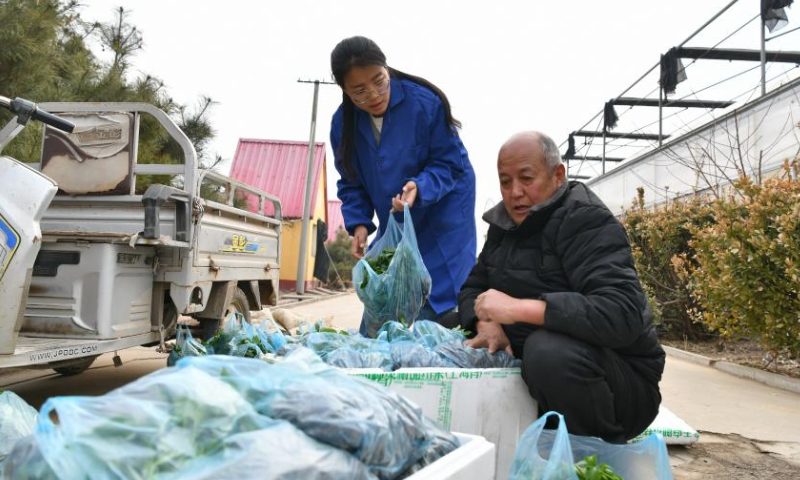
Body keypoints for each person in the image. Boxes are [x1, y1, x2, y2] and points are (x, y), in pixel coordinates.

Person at [459, 131, 665, 443]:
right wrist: (485, 322)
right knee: (450, 326)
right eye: (505, 181)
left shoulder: (586, 220)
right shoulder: (504, 227)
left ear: (558, 175)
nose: (515, 192)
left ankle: (590, 458)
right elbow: (472, 289)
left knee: (549, 352)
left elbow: (621, 313)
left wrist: (517, 310)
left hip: (619, 385)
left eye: (526, 178)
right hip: (535, 369)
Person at [329, 36, 476, 331]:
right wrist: (359, 223)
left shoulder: (424, 103)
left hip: (443, 214)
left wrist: (419, 186)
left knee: (435, 297)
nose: (373, 94)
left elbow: (450, 163)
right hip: (396, 216)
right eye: (359, 90)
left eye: (379, 81)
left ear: (387, 69)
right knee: (388, 296)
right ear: (344, 90)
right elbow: (351, 182)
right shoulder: (342, 124)